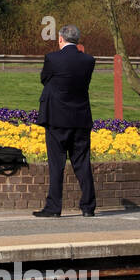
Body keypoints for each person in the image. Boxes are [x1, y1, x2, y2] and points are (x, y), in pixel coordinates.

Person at [33, 24, 96, 217]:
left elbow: (45, 79)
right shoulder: (88, 61)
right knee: (82, 162)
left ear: (61, 39)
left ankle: (54, 207)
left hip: (57, 118)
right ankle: (88, 207)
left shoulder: (52, 58)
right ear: (77, 39)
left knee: (56, 163)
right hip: (80, 118)